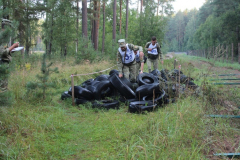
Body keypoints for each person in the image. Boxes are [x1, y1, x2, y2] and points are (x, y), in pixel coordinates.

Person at [0, 19, 20, 92]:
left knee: (4, 83)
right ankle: (3, 101)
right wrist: (13, 46)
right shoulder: (1, 37)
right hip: (2, 63)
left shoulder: (4, 37)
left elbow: (6, 50)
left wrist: (13, 48)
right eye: (10, 28)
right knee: (3, 85)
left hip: (4, 62)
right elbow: (3, 52)